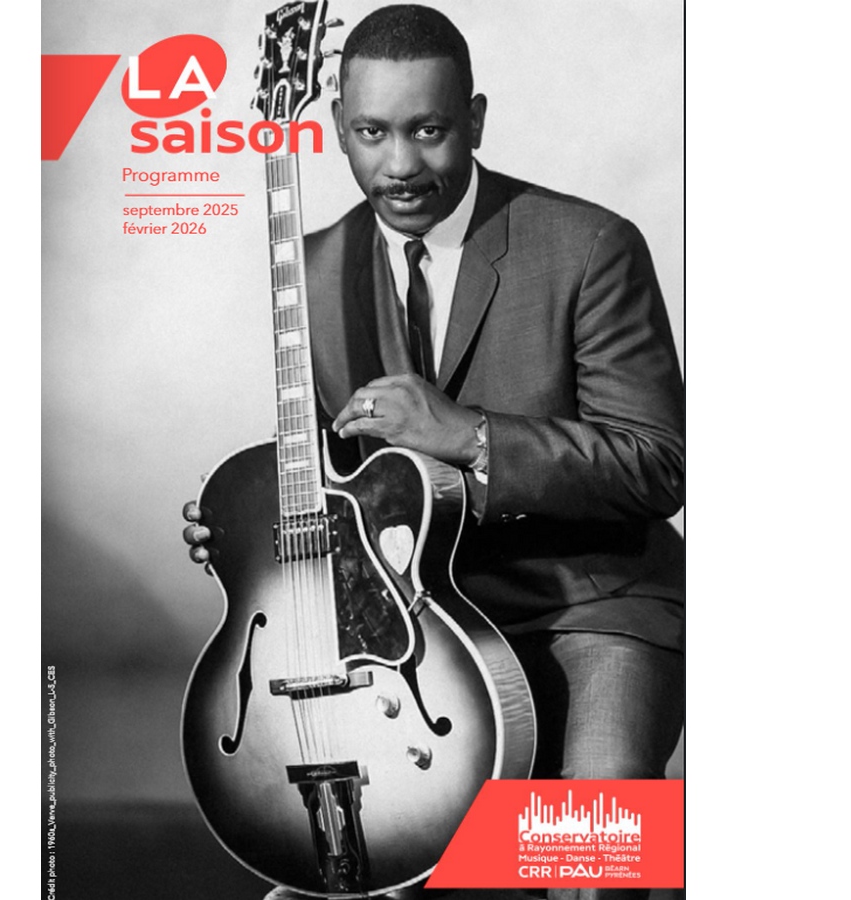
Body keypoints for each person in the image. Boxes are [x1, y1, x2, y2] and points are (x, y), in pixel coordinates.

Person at [184, 6, 683, 899]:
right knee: (350, 875)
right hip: (415, 630)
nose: (401, 164)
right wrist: (248, 525)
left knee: (592, 854)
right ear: (339, 127)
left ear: (475, 120)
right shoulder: (312, 268)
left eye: (428, 129)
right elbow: (344, 486)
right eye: (372, 132)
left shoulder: (591, 246)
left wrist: (468, 435)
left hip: (589, 608)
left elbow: (657, 464)